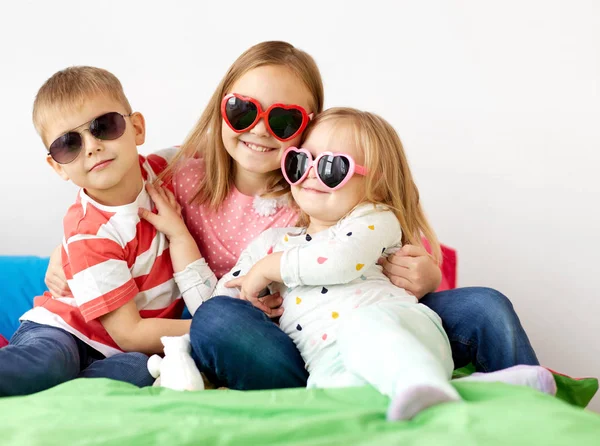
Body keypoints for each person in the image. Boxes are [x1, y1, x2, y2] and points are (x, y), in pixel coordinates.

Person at [44, 42, 538, 391]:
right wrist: (66, 251)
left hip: (366, 312)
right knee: (215, 320)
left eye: (282, 120)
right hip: (280, 341)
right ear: (221, 110)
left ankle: (538, 407)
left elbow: (388, 232)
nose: (259, 130)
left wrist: (428, 271)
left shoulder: (320, 187)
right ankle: (324, 386)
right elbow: (105, 190)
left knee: (484, 305)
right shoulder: (179, 176)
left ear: (310, 129)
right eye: (242, 111)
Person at [215, 107, 556, 420]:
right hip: (327, 360)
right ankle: (492, 390)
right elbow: (227, 292)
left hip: (396, 327)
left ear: (376, 182)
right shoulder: (272, 243)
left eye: (333, 167)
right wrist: (248, 296)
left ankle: (426, 385)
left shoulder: (373, 218)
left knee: (363, 328)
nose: (311, 175)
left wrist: (268, 269)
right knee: (337, 399)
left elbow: (338, 260)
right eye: (301, 162)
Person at [0, 66, 215, 396]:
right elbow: (130, 332)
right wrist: (213, 329)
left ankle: (65, 391)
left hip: (118, 350)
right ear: (58, 166)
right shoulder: (89, 232)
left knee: (142, 372)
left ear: (137, 128)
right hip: (63, 329)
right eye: (68, 144)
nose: (91, 146)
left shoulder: (164, 171)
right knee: (49, 363)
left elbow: (222, 149)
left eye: (104, 126)